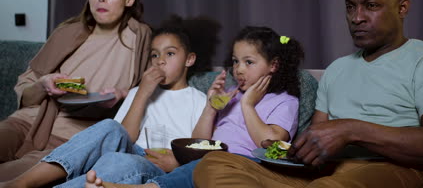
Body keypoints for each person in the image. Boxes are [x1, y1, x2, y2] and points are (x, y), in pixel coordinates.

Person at [193, 0, 423, 188]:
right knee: (215, 165)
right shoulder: (338, 69)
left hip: (402, 173)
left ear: (402, 8)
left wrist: (351, 129)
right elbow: (315, 142)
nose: (356, 17)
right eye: (350, 7)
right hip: (326, 174)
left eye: (370, 6)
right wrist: (281, 150)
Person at [1, 15, 221, 188]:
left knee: (122, 163)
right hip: (130, 150)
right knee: (108, 128)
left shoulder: (198, 100)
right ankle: (22, 183)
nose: (160, 60)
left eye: (170, 54)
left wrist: (176, 163)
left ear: (189, 59)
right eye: (154, 55)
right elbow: (123, 135)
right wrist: (143, 92)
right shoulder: (140, 91)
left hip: (160, 166)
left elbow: (198, 149)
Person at [85, 26, 305, 188]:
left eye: (248, 62)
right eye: (235, 61)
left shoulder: (284, 101)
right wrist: (211, 107)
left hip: (248, 164)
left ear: (273, 65)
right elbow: (200, 141)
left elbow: (271, 144)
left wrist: (248, 104)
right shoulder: (232, 98)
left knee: (204, 165)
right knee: (203, 163)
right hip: (214, 161)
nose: (238, 69)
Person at [0, 0, 153, 180]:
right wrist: (43, 84)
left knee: (15, 177)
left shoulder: (139, 39)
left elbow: (151, 85)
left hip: (73, 137)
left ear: (129, 0)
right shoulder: (66, 33)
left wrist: (122, 97)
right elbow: (26, 95)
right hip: (26, 121)